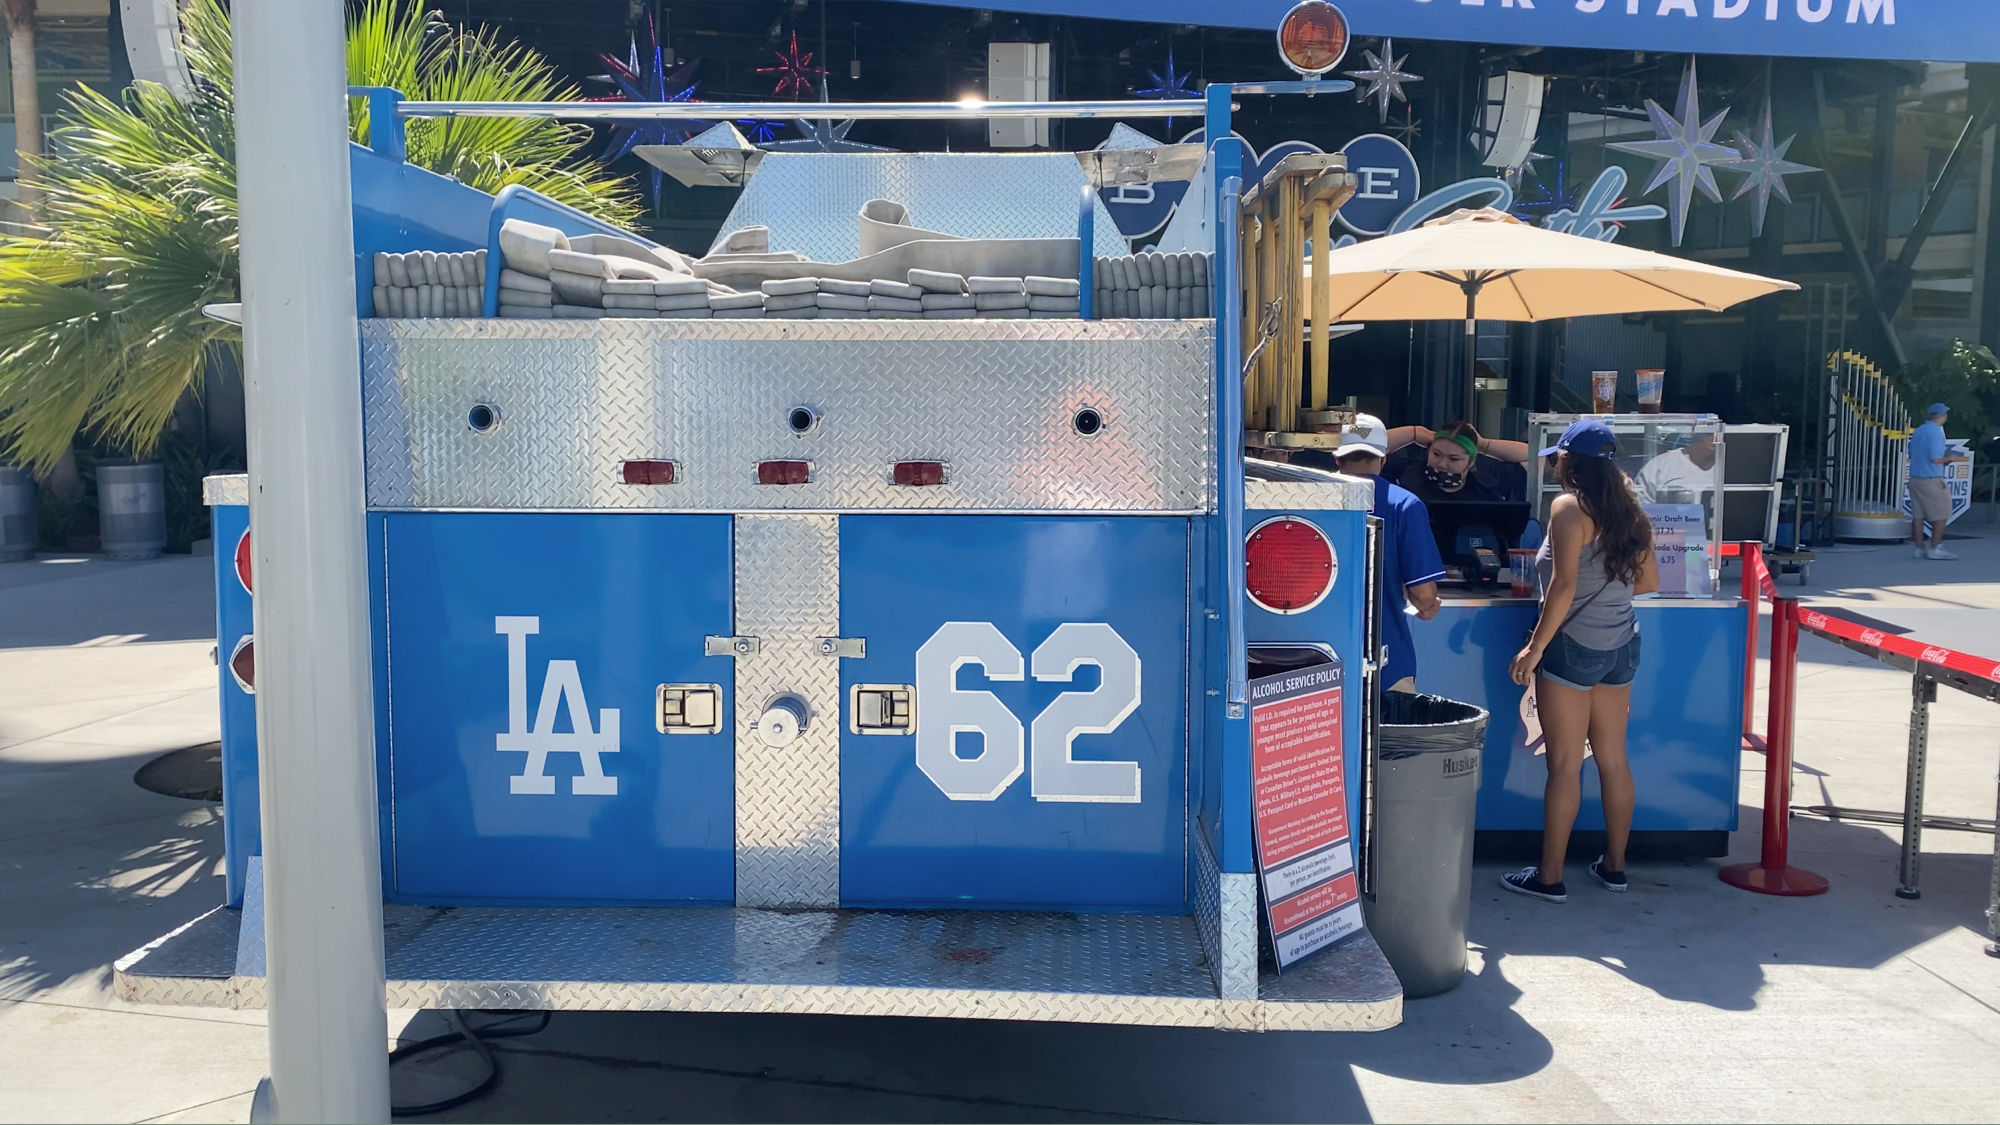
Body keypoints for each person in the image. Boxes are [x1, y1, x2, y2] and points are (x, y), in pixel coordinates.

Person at [1501, 418, 1659, 904]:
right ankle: (1614, 867)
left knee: (1566, 764)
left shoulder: (1569, 508)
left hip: (1572, 646)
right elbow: (1649, 583)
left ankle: (1549, 877)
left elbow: (1564, 586)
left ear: (1569, 462)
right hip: (1622, 644)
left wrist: (1535, 648)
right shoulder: (1632, 510)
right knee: (1612, 760)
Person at [1332, 414, 1444, 693]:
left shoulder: (1305, 500)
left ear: (1337, 458)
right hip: (1386, 661)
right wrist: (1429, 607)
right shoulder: (1405, 504)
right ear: (1384, 459)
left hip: (1315, 665)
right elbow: (1423, 595)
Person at [1384, 421, 1530, 504]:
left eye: (1453, 459)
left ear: (1471, 461)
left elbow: (1534, 456)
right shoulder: (1406, 473)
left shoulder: (1486, 485)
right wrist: (1415, 433)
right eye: (1436, 454)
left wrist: (1483, 444)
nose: (1442, 464)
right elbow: (1366, 448)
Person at [1908, 402, 1966, 561]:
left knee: (1918, 516)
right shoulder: (1935, 433)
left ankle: (1919, 548)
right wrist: (1951, 458)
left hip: (1915, 479)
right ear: (1942, 415)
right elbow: (1935, 459)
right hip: (1931, 480)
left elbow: (1913, 454)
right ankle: (1936, 547)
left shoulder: (1919, 431)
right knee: (1942, 513)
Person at [1631, 431, 1720, 505]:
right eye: (1708, 433)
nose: (1713, 437)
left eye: (1717, 434)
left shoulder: (1728, 469)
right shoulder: (1660, 466)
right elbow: (1639, 509)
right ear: (1694, 433)